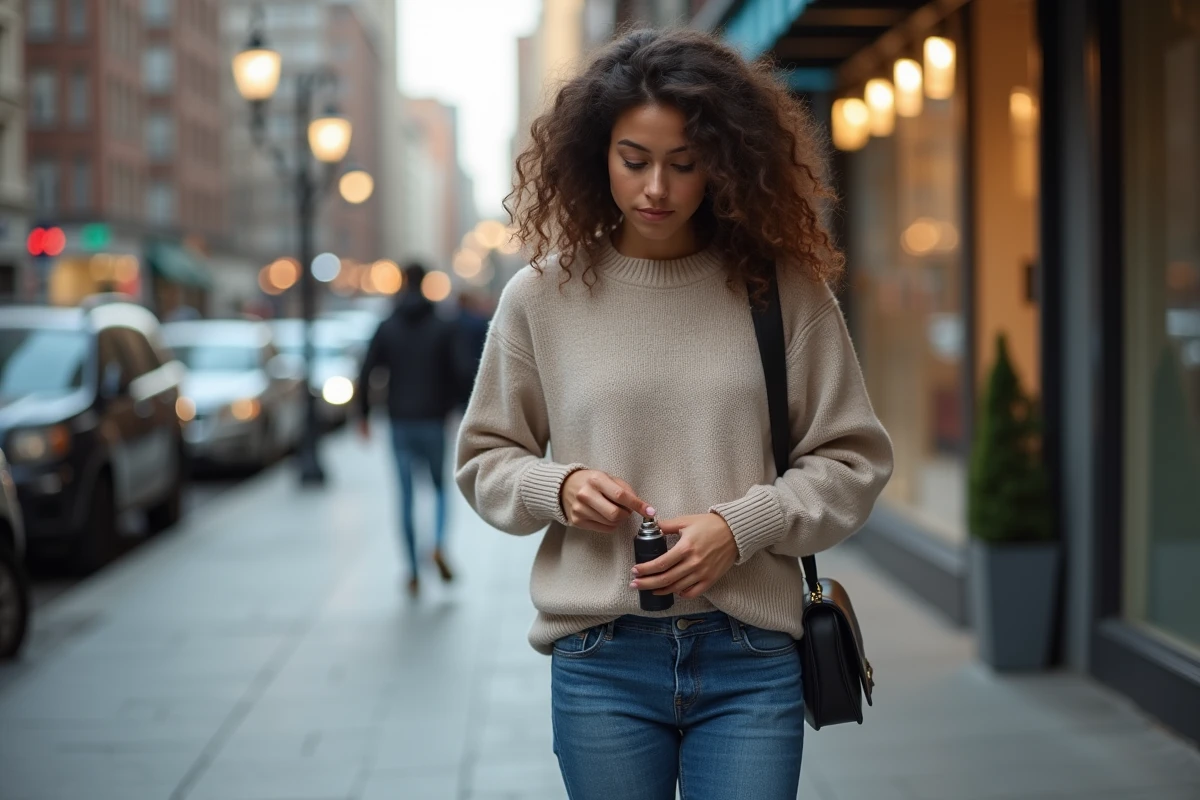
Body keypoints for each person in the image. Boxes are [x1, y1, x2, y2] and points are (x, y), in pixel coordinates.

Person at [455, 28, 894, 800]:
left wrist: (743, 526)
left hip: (751, 653)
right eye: (635, 160)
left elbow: (852, 461)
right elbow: (485, 456)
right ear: (599, 154)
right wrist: (556, 488)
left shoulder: (781, 290)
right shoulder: (540, 298)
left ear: (722, 163)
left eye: (684, 164)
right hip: (601, 656)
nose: (656, 186)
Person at [358, 262, 461, 597]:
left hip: (400, 422)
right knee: (440, 488)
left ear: (402, 283)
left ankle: (413, 569)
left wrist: (362, 415)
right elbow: (460, 372)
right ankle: (439, 543)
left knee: (405, 496)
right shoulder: (442, 325)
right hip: (433, 421)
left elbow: (366, 370)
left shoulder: (388, 326)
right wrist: (456, 411)